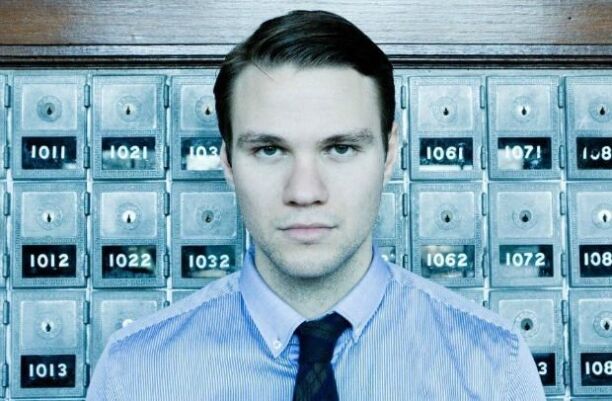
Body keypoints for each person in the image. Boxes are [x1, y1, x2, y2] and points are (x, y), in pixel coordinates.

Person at [87, 10, 546, 401]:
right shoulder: (134, 374)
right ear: (227, 162)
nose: (304, 191)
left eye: (340, 148)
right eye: (269, 150)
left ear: (389, 154)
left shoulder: (493, 367)